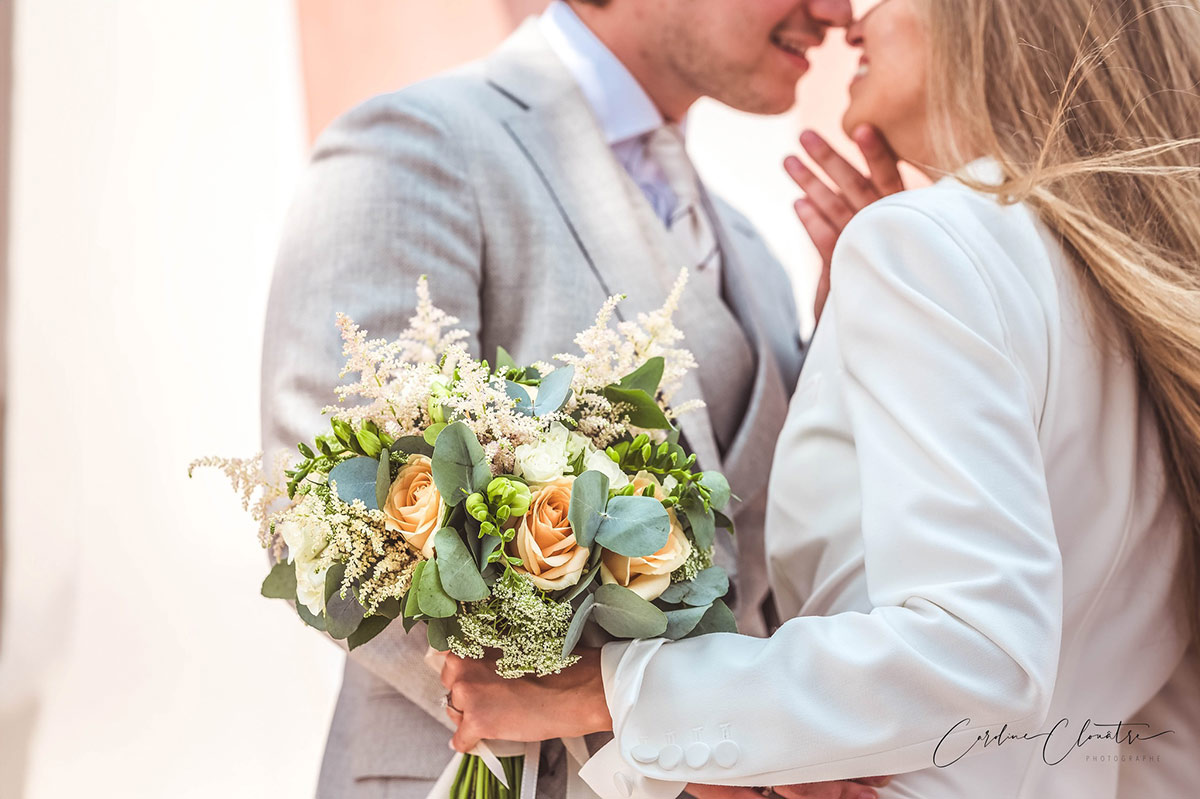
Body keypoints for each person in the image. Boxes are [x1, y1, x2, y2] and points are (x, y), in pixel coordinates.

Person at [441, 0, 1200, 796]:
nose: (852, 19)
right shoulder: (1134, 283)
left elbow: (976, 649)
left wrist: (613, 688)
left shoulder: (926, 245)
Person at [261, 1, 898, 797]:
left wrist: (851, 332)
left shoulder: (753, 254)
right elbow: (325, 518)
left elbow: (768, 530)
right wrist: (677, 742)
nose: (837, 14)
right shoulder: (414, 148)